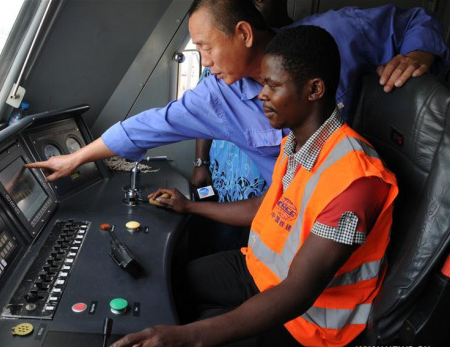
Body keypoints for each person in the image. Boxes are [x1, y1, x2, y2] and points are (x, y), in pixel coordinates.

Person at [107, 25, 398, 347]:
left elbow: (299, 290)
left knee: (190, 346)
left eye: (273, 85)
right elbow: (266, 206)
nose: (261, 95)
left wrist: (192, 338)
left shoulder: (357, 180)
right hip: (259, 270)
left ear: (314, 89)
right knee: (164, 283)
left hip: (309, 318)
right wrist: (189, 207)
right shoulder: (296, 143)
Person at [25, 0, 448, 188]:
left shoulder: (334, 34)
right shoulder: (214, 97)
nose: (204, 60)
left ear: (243, 33)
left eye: (206, 46)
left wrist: (418, 53)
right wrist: (77, 156)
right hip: (290, 222)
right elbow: (148, 125)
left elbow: (414, 20)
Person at [191, 0, 450, 253]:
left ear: (314, 89)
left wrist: (416, 56)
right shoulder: (288, 148)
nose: (262, 96)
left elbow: (299, 284)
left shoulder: (327, 37)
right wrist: (198, 172)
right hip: (253, 203)